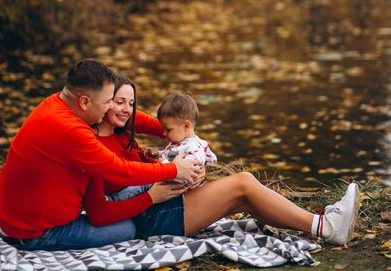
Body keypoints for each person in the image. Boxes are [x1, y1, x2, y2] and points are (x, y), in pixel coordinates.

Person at [85, 72, 360, 246]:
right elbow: (101, 208)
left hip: (163, 201)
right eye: (117, 101)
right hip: (150, 215)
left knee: (245, 197)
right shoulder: (92, 144)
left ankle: (320, 225)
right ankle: (326, 226)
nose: (126, 109)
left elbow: (176, 127)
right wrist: (157, 187)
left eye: (130, 103)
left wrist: (193, 161)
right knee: (243, 182)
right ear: (103, 100)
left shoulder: (124, 129)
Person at [0, 59, 200, 251]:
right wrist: (173, 169)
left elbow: (133, 119)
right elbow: (119, 170)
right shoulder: (72, 131)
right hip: (33, 232)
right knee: (126, 230)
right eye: (109, 102)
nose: (111, 107)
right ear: (85, 102)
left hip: (15, 219)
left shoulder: (58, 103)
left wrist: (183, 137)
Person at [157, 91, 217, 169]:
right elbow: (170, 154)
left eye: (168, 130)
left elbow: (186, 172)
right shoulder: (179, 141)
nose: (164, 133)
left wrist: (164, 164)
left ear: (185, 126)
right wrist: (158, 154)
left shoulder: (194, 148)